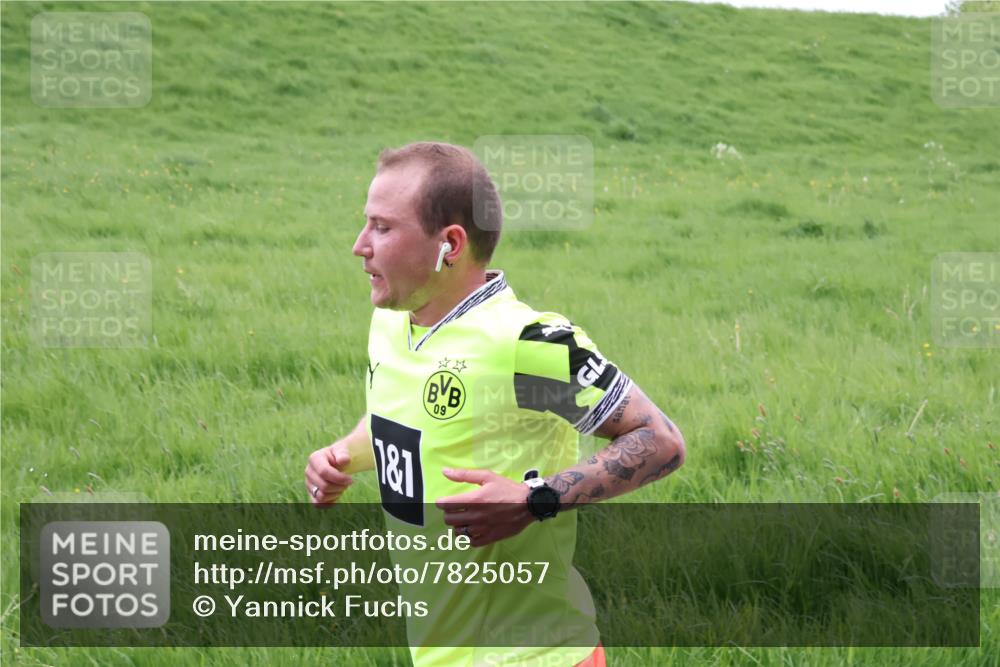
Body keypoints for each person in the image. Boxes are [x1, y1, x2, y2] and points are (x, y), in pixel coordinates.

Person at [305, 142, 686, 667]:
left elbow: (658, 440)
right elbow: (401, 417)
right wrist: (345, 455)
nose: (359, 245)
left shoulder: (525, 346)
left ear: (450, 244)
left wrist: (536, 499)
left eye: (383, 227)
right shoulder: (393, 323)